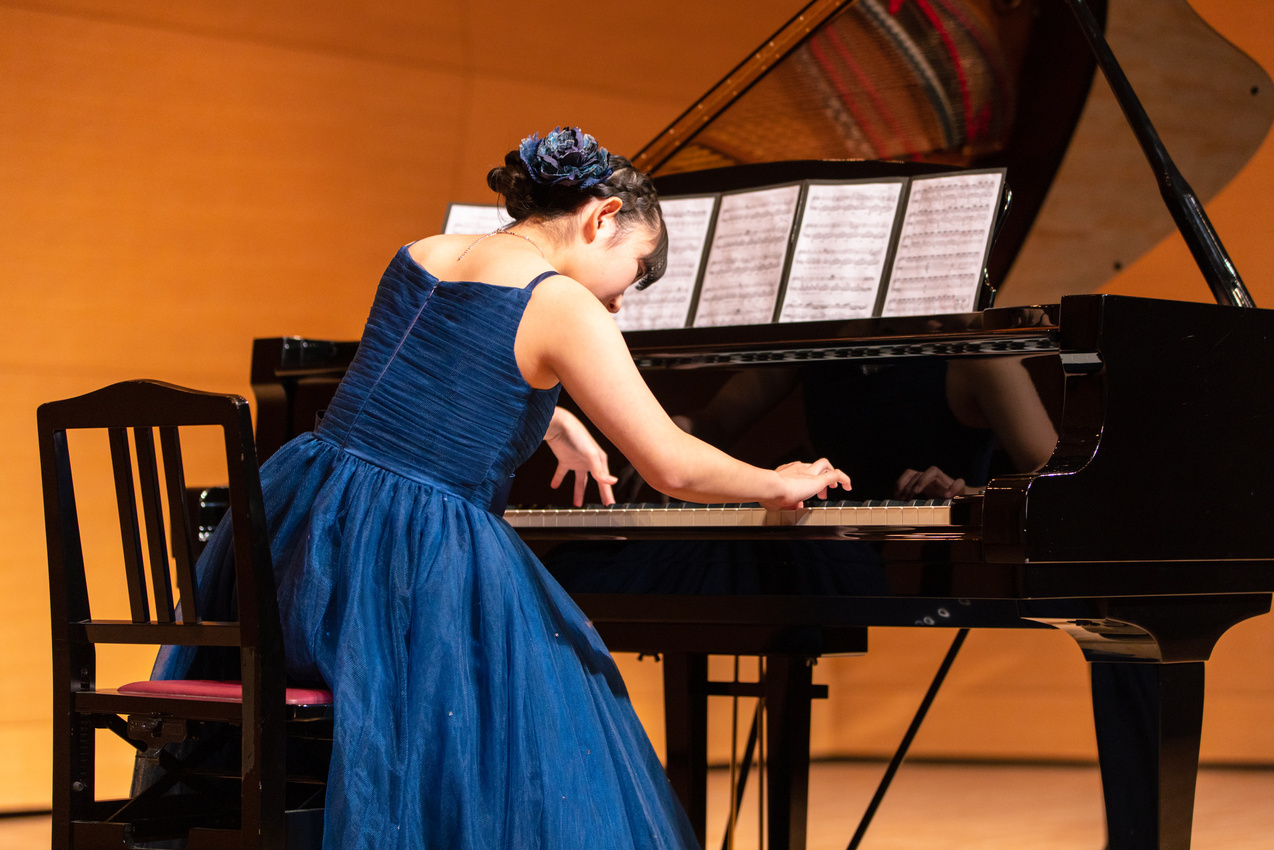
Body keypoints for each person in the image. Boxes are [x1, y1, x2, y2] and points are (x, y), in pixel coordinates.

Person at [153, 127, 850, 849]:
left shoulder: (420, 253)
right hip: (403, 569)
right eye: (635, 272)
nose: (622, 302)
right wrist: (777, 480)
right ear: (601, 217)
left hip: (296, 544)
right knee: (554, 705)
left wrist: (553, 420)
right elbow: (670, 465)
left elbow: (432, 380)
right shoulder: (562, 304)